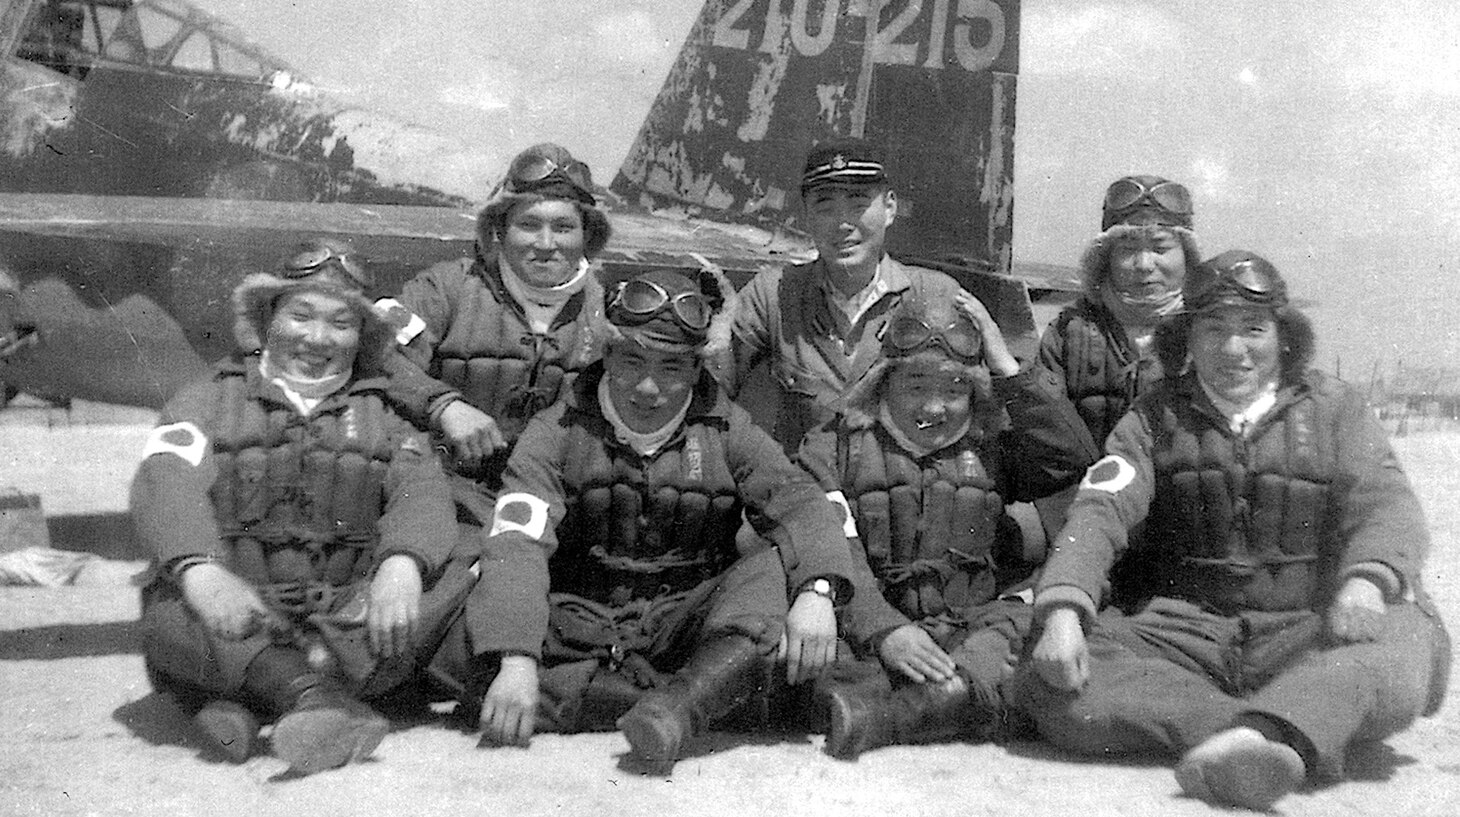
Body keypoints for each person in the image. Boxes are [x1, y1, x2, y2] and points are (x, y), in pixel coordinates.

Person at [1017, 250, 1451, 810]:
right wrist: (1063, 611)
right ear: (1186, 339)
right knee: (1050, 673)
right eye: (1213, 329)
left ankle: (1277, 727)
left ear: (1284, 337)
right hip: (1185, 631)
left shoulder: (1337, 408)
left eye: (1253, 330)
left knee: (1409, 637)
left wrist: (1367, 581)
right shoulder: (1151, 418)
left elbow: (1387, 505)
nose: (1233, 350)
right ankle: (1272, 734)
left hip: (1308, 625)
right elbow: (1100, 513)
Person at [453, 268, 854, 774]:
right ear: (607, 354)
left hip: (683, 622)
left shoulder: (727, 427)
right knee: (469, 638)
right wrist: (516, 659)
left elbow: (798, 501)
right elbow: (519, 543)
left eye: (671, 367)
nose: (648, 387)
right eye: (631, 360)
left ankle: (675, 710)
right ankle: (702, 695)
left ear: (695, 370)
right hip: (575, 620)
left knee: (771, 567)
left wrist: (818, 591)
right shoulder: (556, 429)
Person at [132, 241, 468, 775]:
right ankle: (312, 697)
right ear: (268, 319)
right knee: (169, 609)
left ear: (361, 337)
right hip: (238, 611)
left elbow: (421, 494)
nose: (317, 339)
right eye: (300, 315)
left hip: (340, 618)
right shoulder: (206, 400)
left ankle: (262, 698)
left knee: (451, 576)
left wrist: (401, 567)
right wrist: (201, 571)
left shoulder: (385, 415)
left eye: (341, 323)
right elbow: (166, 481)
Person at [797, 282, 1097, 759]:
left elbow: (1073, 458)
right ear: (883, 381)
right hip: (872, 631)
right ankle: (937, 701)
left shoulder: (995, 441)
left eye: (954, 388)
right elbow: (836, 546)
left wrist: (1007, 369)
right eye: (916, 386)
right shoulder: (834, 444)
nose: (934, 407)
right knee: (804, 650)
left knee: (1024, 637)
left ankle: (906, 709)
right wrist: (884, 630)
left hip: (969, 627)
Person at [379, 142, 610, 521]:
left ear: (587, 236)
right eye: (529, 225)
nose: (546, 244)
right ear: (500, 229)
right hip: (442, 487)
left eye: (564, 227)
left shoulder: (605, 312)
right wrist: (444, 406)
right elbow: (376, 351)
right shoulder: (448, 288)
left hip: (545, 500)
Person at [724, 136, 973, 454]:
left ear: (889, 208)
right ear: (807, 216)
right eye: (825, 207)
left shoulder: (937, 295)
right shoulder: (774, 295)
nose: (843, 224)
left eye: (859, 205)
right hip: (804, 492)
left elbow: (975, 413)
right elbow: (714, 392)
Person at [1037, 174, 1201, 454]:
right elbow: (1044, 433)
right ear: (1104, 258)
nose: (1144, 264)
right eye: (1127, 249)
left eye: (1161, 248)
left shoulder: (1209, 332)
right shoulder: (1067, 332)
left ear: (1187, 255)